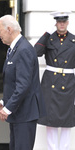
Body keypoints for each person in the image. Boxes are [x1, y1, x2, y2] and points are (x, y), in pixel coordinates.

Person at [0, 15, 46, 150]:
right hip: (19, 113)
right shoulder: (15, 49)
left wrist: (8, 108)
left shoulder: (24, 50)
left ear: (9, 29)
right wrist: (4, 102)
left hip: (25, 113)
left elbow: (23, 85)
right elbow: (13, 82)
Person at [34, 11, 75, 150]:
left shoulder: (74, 40)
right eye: (59, 21)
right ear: (55, 23)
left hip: (68, 83)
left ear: (68, 23)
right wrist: (46, 34)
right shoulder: (49, 39)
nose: (62, 24)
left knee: (66, 122)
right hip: (50, 82)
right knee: (50, 121)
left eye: (64, 21)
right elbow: (36, 52)